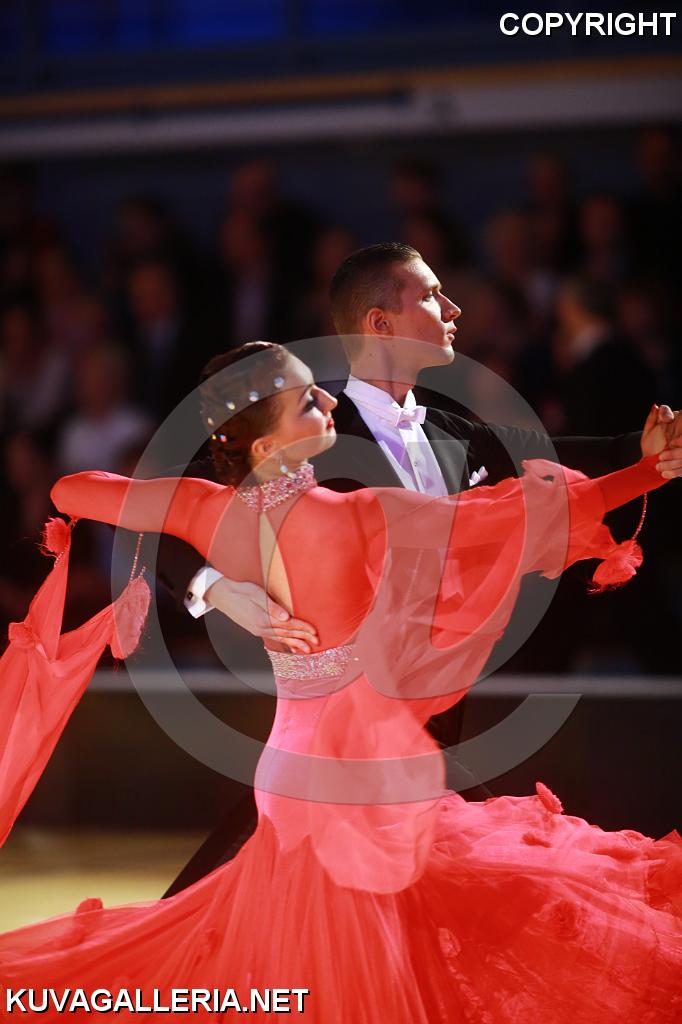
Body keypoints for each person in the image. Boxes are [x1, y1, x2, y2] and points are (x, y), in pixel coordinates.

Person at [0, 341, 681, 1022]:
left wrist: (219, 585)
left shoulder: (202, 509)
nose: (329, 399)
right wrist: (648, 472)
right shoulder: (358, 515)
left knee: (329, 964)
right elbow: (528, 514)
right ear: (265, 444)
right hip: (355, 785)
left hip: (287, 782)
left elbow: (71, 491)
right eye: (307, 400)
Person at [159, 243, 682, 892]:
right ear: (380, 323)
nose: (454, 308)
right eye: (433, 296)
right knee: (265, 892)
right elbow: (164, 510)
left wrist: (643, 452)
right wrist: (217, 588)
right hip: (341, 725)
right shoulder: (306, 435)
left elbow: (564, 458)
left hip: (431, 718)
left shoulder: (457, 434)